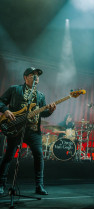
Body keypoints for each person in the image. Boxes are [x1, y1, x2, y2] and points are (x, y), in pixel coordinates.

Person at [0, 67, 56, 195]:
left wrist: (50, 111)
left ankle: (39, 185)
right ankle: (1, 184)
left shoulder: (41, 95)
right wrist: (6, 111)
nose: (36, 78)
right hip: (15, 128)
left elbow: (43, 113)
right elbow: (0, 102)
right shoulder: (15, 89)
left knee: (39, 156)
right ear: (25, 77)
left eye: (37, 76)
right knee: (8, 156)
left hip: (33, 131)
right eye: (33, 75)